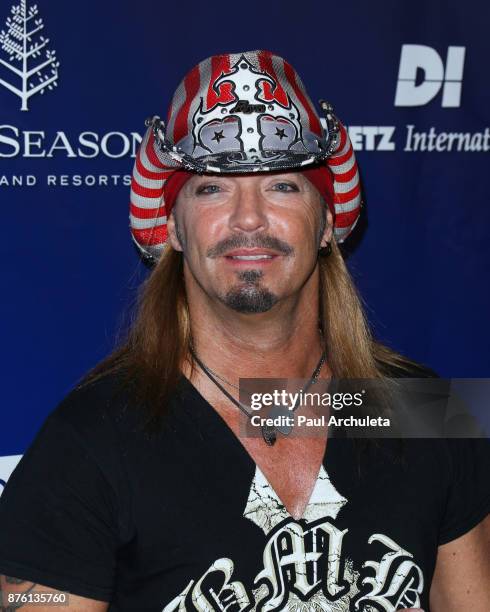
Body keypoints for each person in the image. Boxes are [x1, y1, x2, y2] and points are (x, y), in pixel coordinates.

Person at [0, 49, 488, 612]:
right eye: (212, 188)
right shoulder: (85, 444)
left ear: (328, 220)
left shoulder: (426, 410)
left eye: (282, 185)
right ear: (174, 226)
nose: (248, 218)